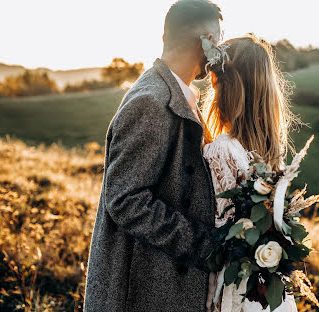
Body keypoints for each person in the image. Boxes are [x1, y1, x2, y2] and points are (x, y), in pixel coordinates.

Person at [83, 1, 223, 311]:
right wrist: (204, 244)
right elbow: (125, 200)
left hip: (160, 286)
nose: (219, 53)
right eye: (219, 41)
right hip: (141, 292)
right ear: (206, 41)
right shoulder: (151, 101)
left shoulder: (171, 93)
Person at [202, 35, 303, 312]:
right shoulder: (269, 152)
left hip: (236, 286)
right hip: (268, 289)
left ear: (217, 83)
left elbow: (215, 227)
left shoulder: (220, 151)